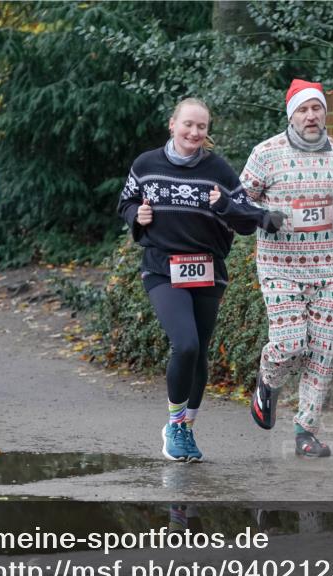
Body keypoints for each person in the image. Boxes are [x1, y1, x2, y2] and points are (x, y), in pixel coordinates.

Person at [117, 97, 282, 463]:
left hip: (208, 269)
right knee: (186, 344)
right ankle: (174, 424)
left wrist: (224, 203)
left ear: (207, 132)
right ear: (172, 124)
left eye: (202, 127)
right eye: (188, 124)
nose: (194, 132)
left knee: (200, 354)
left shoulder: (218, 170)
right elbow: (125, 201)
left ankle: (187, 428)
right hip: (162, 267)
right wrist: (137, 214)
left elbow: (245, 219)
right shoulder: (146, 164)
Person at [242, 79, 333, 458]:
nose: (311, 116)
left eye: (317, 108)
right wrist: (263, 217)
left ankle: (306, 432)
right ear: (291, 115)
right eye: (303, 110)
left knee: (323, 351)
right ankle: (268, 381)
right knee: (292, 343)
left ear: (325, 113)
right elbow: (237, 202)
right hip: (280, 266)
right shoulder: (266, 154)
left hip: (329, 267)